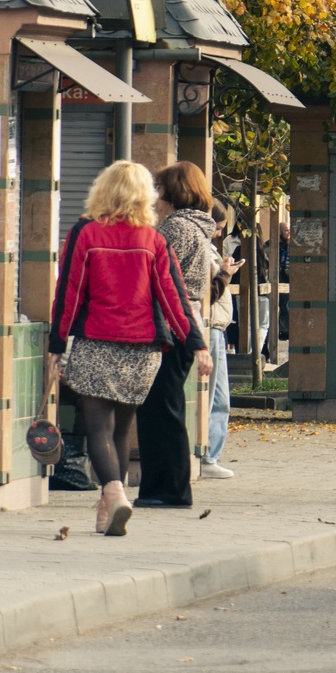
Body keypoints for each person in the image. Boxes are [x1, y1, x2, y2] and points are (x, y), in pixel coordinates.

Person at [47, 160, 206, 536]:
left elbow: (68, 292)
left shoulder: (86, 232)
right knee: (121, 430)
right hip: (143, 350)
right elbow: (173, 297)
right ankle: (107, 513)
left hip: (97, 343)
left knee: (97, 428)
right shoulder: (154, 239)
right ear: (145, 196)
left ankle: (115, 493)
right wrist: (197, 344)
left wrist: (57, 343)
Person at [137, 162, 221, 506]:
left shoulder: (175, 229)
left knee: (161, 411)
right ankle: (167, 488)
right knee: (166, 408)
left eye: (159, 187)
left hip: (170, 327)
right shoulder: (198, 228)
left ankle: (169, 489)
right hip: (185, 326)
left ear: (173, 190)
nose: (155, 195)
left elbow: (156, 276)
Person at [201, 199, 242, 479]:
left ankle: (209, 453)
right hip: (211, 327)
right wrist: (226, 273)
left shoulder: (209, 248)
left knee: (218, 396)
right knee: (216, 396)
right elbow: (210, 292)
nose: (219, 233)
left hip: (216, 327)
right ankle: (207, 455)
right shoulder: (203, 249)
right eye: (217, 227)